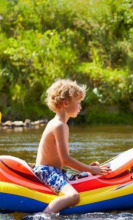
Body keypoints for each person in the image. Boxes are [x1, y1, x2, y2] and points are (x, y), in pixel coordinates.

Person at [33, 79, 111, 213]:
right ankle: (42, 217)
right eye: (79, 103)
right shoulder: (59, 126)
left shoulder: (58, 124)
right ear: (65, 103)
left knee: (82, 178)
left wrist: (87, 169)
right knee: (74, 196)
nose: (80, 107)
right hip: (47, 172)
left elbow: (62, 160)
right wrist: (90, 170)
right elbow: (65, 159)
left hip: (53, 171)